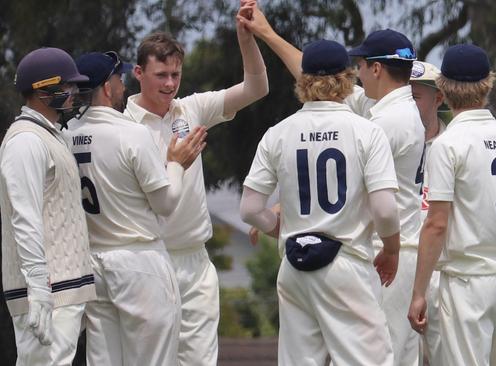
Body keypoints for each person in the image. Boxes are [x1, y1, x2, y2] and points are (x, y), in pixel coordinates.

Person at [239, 5, 425, 364]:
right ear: (346, 80)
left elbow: (248, 208)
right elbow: (385, 208)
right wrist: (391, 248)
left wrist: (278, 220)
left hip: (296, 261)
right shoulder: (368, 124)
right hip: (352, 259)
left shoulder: (280, 132)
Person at [123, 3, 268, 364]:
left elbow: (257, 87)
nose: (170, 84)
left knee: (200, 359)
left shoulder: (191, 109)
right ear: (139, 72)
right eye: (161, 75)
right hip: (148, 260)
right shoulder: (121, 126)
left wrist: (246, 39)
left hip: (195, 260)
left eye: (176, 74)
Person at [67, 51, 207, 365]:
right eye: (118, 79)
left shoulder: (67, 134)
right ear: (107, 88)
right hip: (139, 262)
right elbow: (166, 203)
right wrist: (176, 165)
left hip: (95, 263)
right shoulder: (131, 133)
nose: (122, 84)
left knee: (103, 360)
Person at [407, 44, 496, 366]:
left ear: (444, 89)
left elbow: (436, 224)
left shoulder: (448, 144)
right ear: (488, 83)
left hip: (466, 279)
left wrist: (419, 292)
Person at [0, 47, 96, 365]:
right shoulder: (25, 141)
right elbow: (24, 217)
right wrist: (38, 287)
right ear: (44, 90)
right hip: (45, 289)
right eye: (66, 85)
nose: (72, 92)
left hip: (63, 285)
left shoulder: (52, 136)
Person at [409, 60, 445, 364]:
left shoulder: (456, 145)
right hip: (394, 272)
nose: (407, 106)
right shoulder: (380, 143)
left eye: (415, 97)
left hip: (443, 277)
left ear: (439, 98)